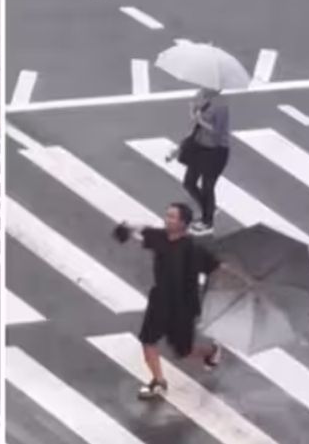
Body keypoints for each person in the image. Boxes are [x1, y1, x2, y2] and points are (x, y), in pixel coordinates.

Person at [115, 202, 254, 400]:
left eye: (172, 217)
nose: (167, 219)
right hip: (160, 301)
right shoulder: (160, 237)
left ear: (183, 223)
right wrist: (126, 228)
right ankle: (158, 382)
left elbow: (218, 267)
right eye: (167, 215)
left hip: (183, 306)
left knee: (183, 351)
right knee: (148, 341)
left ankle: (211, 352)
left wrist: (243, 280)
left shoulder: (194, 250)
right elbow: (142, 229)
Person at [167, 88, 230, 235]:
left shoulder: (221, 106)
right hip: (199, 148)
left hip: (215, 151)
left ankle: (208, 222)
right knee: (189, 183)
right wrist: (194, 110)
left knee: (208, 187)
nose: (201, 90)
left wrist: (199, 119)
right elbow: (195, 128)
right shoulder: (203, 99)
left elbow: (218, 132)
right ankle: (210, 208)